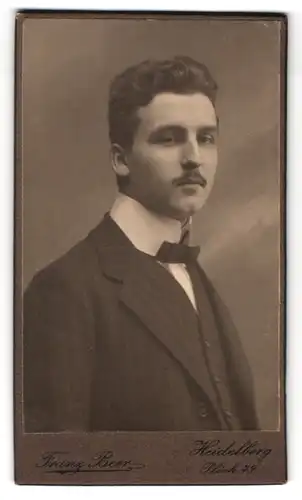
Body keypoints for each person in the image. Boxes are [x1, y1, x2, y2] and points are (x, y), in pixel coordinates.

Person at [23, 56, 259, 432]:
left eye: (206, 138)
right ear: (121, 160)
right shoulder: (65, 289)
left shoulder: (194, 276)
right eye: (169, 138)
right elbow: (55, 471)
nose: (193, 158)